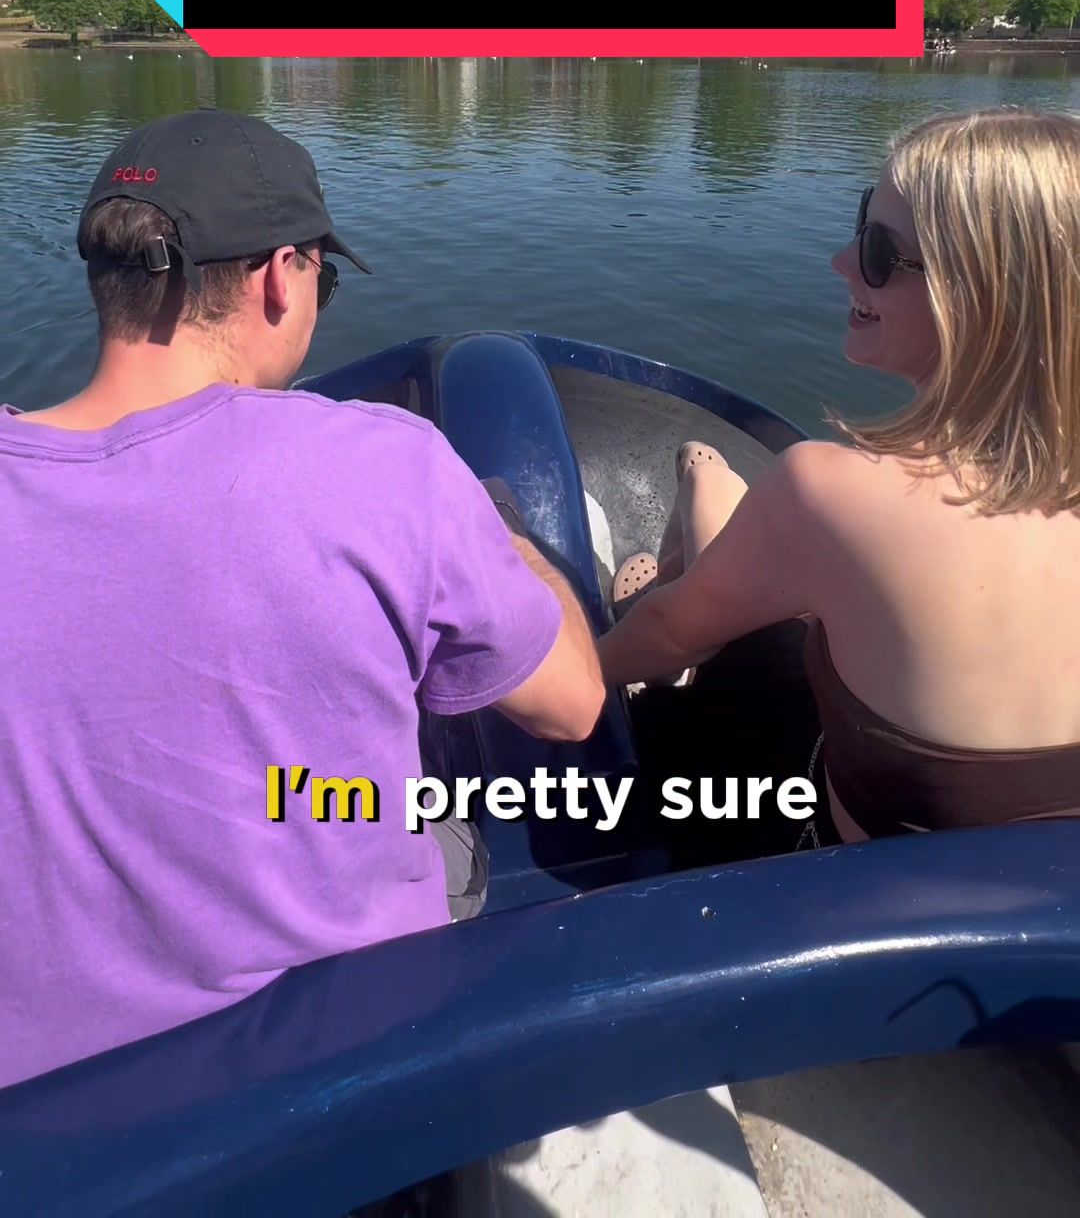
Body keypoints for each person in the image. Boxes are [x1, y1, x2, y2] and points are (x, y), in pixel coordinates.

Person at [0, 108, 603, 1089]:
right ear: (281, 276)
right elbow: (572, 705)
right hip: (333, 1087)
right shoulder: (381, 463)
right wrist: (512, 543)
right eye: (322, 272)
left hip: (46, 1128)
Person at [599, 108, 1080, 850]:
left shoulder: (837, 493)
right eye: (863, 223)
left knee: (706, 520)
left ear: (984, 294)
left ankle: (667, 629)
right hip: (1032, 934)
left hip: (824, 873)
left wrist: (572, 673)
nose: (842, 263)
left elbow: (666, 635)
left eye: (881, 251)